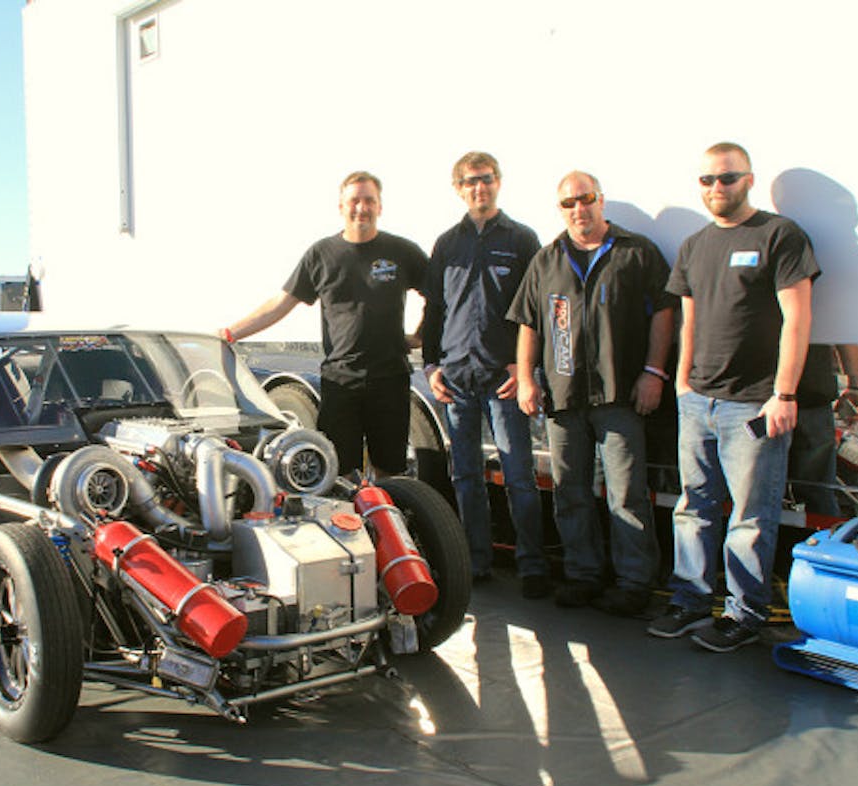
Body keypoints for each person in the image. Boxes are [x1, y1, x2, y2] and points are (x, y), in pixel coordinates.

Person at [648, 142, 820, 652]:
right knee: (693, 507)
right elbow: (689, 320)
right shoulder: (694, 246)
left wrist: (783, 394)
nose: (716, 188)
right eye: (707, 180)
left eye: (727, 178)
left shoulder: (780, 236)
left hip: (753, 403)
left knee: (750, 517)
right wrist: (683, 383)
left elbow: (797, 319)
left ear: (749, 180)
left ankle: (744, 615)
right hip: (698, 401)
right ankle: (690, 601)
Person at [509, 171, 675, 614]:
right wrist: (526, 379)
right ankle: (583, 574)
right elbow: (528, 324)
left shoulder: (636, 253)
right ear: (560, 209)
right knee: (570, 492)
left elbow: (665, 313)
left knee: (626, 494)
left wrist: (654, 372)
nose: (578, 209)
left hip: (619, 395)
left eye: (585, 199)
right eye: (568, 203)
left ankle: (634, 582)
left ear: (601, 200)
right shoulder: (546, 260)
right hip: (563, 399)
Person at [223, 171, 428, 477]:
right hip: (340, 383)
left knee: (391, 472)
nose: (362, 208)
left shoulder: (402, 252)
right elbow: (281, 303)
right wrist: (231, 333)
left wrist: (422, 335)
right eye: (354, 201)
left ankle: (386, 508)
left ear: (380, 206)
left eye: (369, 200)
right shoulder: (321, 255)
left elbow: (439, 296)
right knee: (340, 474)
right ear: (341, 207)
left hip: (390, 379)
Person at [419, 151, 547, 590]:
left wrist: (526, 368)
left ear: (499, 182)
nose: (480, 187)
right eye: (471, 181)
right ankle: (476, 562)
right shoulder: (446, 244)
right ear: (459, 188)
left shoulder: (522, 239)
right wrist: (431, 366)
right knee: (466, 477)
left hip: (503, 378)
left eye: (487, 179)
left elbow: (536, 309)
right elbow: (434, 310)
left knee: (519, 477)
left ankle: (532, 566)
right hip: (457, 376)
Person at [789, 344, 858, 516]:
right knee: (816, 493)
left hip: (806, 397)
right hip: (807, 395)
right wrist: (856, 385)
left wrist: (856, 385)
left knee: (752, 498)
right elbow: (847, 333)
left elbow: (847, 333)